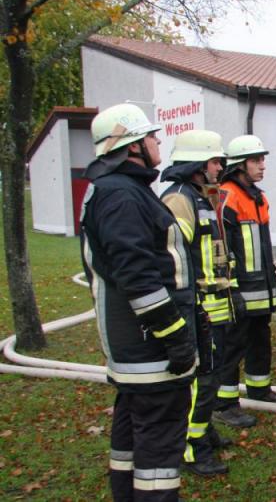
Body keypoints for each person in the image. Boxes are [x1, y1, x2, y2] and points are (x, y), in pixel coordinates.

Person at [80, 103, 197, 502]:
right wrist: (175, 337)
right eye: (151, 136)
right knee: (159, 448)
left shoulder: (121, 190)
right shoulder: (122, 196)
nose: (157, 141)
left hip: (138, 350)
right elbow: (138, 276)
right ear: (132, 145)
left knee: (132, 434)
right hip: (150, 352)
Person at [159, 129, 232, 476]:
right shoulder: (180, 200)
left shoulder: (201, 197)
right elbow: (173, 260)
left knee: (212, 376)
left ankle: (204, 430)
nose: (220, 168)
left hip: (212, 304)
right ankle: (192, 447)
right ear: (197, 165)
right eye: (215, 161)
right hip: (197, 306)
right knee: (201, 381)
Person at [215, 135, 276, 429]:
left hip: (260, 288)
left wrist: (274, 281)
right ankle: (224, 404)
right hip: (239, 290)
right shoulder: (226, 197)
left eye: (263, 160)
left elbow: (262, 247)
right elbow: (222, 249)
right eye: (256, 160)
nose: (263, 166)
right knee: (232, 345)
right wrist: (231, 288)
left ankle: (260, 389)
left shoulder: (258, 197)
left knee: (260, 339)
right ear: (238, 166)